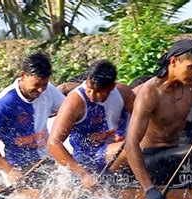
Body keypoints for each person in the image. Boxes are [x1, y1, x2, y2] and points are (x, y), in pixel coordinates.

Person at [124, 39, 192, 199]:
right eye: (191, 67)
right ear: (174, 62)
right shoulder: (150, 93)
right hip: (152, 160)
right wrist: (149, 190)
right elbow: (131, 144)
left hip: (178, 154)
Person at [0, 52, 65, 186]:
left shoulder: (49, 91)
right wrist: (9, 171)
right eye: (36, 85)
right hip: (12, 165)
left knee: (66, 182)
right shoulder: (4, 103)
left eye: (44, 84)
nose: (41, 90)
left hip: (44, 161)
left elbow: (71, 113)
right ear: (23, 76)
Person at [48, 60, 135, 188]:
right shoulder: (75, 102)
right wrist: (83, 174)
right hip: (87, 158)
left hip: (113, 152)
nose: (92, 96)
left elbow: (144, 121)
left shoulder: (124, 93)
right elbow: (53, 144)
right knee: (130, 148)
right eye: (89, 89)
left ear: (112, 87)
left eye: (98, 91)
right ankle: (105, 183)